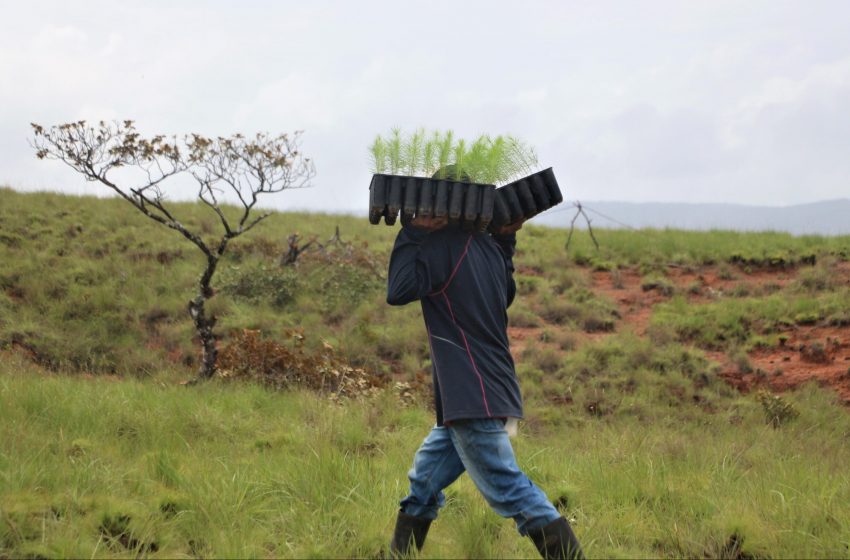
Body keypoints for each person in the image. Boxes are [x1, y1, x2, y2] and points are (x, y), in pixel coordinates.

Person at [385, 177, 584, 560]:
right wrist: (507, 240)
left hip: (472, 399)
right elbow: (505, 293)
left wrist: (412, 231)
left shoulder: (443, 249)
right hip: (487, 393)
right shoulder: (489, 248)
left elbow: (398, 290)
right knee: (423, 482)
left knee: (509, 489)